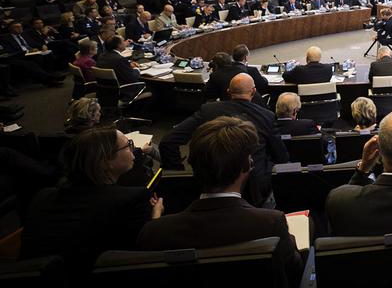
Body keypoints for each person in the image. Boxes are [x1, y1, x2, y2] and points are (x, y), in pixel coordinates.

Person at [137, 117, 303, 286]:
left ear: (194, 166)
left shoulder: (154, 231)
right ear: (248, 164)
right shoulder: (271, 223)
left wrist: (156, 220)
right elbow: (294, 271)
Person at [21, 126, 162, 274]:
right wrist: (156, 217)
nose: (133, 150)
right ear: (106, 161)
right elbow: (142, 254)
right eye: (128, 146)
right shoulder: (133, 198)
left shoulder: (43, 196)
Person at [161, 73, 288, 207]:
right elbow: (281, 157)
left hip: (209, 183)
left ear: (228, 92)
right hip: (254, 191)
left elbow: (168, 140)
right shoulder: (266, 116)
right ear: (254, 92)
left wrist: (180, 176)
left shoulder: (208, 110)